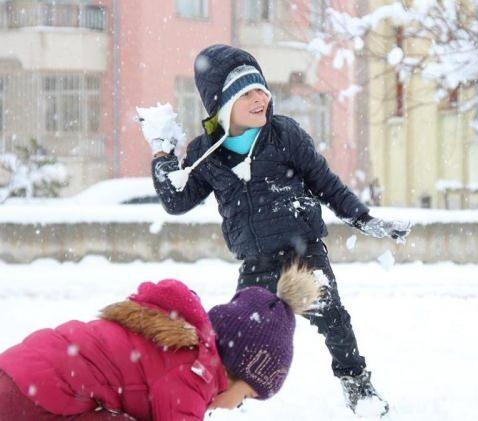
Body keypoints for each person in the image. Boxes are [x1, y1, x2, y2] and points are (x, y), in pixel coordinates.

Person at [144, 44, 410, 416]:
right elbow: (177, 201)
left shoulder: (284, 134)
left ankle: (357, 384)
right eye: (247, 93)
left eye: (262, 90)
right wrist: (162, 154)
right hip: (256, 262)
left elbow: (325, 183)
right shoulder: (206, 153)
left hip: (304, 253)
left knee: (334, 320)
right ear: (222, 104)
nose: (260, 99)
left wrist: (363, 218)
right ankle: (222, 394)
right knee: (235, 338)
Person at [0, 265, 320, 420]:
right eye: (247, 396)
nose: (237, 406)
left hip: (21, 373)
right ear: (236, 369)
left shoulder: (180, 346)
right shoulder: (194, 374)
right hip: (33, 398)